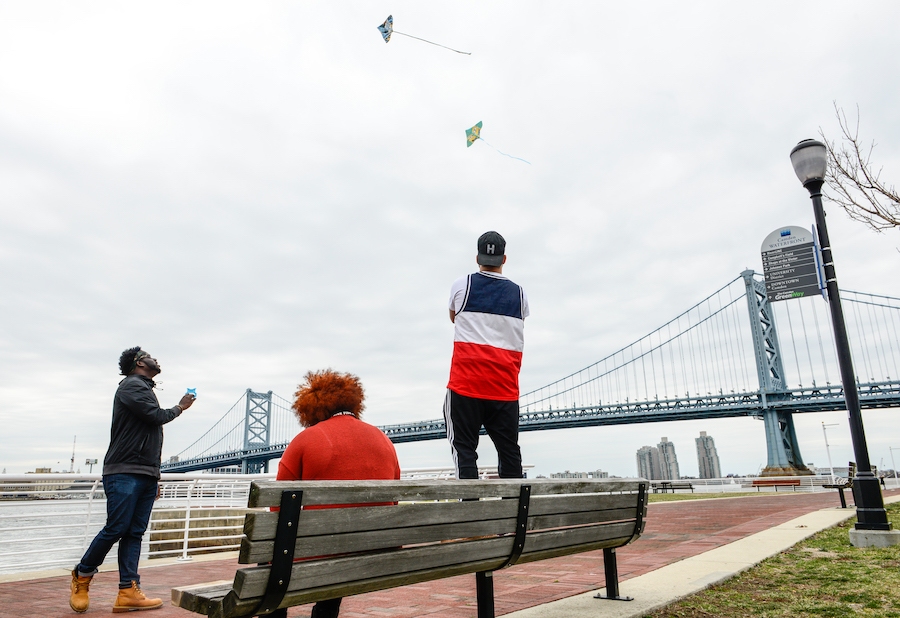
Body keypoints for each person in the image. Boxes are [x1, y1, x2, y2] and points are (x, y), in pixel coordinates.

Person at [69, 347, 195, 614]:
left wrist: (153, 476)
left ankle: (128, 591)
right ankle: (82, 575)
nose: (156, 359)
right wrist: (180, 407)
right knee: (116, 528)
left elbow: (149, 437)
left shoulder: (144, 388)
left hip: (144, 473)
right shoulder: (132, 386)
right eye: (151, 356)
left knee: (135, 533)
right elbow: (156, 417)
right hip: (123, 471)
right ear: (139, 362)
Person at [277, 369, 400, 618]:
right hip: (372, 553)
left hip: (320, 553)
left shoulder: (305, 439)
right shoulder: (384, 440)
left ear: (311, 407)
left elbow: (277, 508)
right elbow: (394, 499)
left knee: (272, 555)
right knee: (338, 547)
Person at [445, 231, 529, 480]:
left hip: (466, 385)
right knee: (509, 451)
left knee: (464, 450)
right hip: (504, 387)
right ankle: (513, 511)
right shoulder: (520, 294)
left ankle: (469, 509)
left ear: (477, 258)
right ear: (504, 259)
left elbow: (453, 318)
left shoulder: (462, 285)